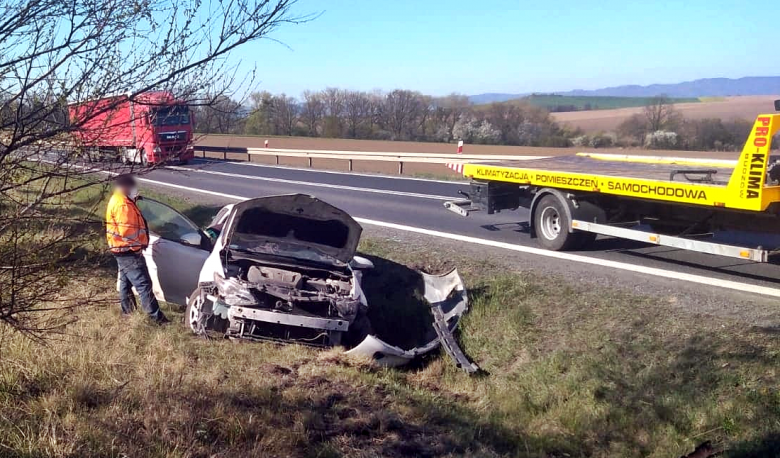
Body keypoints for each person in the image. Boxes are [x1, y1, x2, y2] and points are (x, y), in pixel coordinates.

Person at [105, 174, 169, 324]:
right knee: (143, 284)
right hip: (128, 250)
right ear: (125, 186)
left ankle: (128, 312)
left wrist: (133, 200)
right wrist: (137, 248)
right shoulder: (123, 205)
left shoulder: (121, 200)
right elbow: (127, 231)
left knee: (125, 282)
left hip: (120, 249)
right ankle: (155, 318)